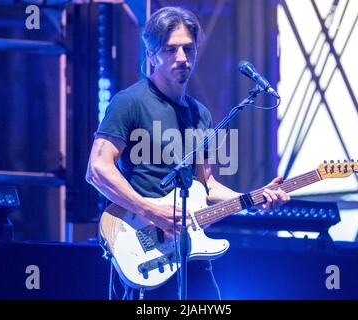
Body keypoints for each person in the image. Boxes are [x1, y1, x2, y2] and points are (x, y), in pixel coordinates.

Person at [86, 6, 290, 300]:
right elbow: (97, 169)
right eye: (171, 50)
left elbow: (206, 186)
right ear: (152, 53)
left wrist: (255, 199)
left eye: (188, 49)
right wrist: (151, 211)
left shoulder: (200, 114)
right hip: (147, 251)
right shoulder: (129, 102)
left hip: (193, 256)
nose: (182, 58)